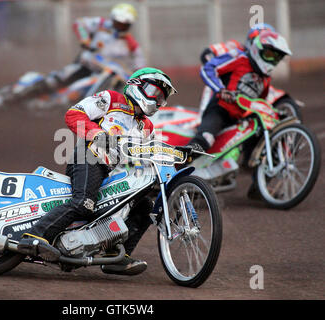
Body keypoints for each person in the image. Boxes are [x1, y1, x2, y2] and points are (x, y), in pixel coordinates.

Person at [17, 67, 177, 276]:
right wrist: (98, 134)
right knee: (83, 203)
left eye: (162, 98)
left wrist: (178, 154)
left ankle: (114, 256)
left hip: (114, 171)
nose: (157, 101)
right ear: (137, 85)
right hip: (88, 156)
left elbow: (148, 155)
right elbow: (74, 114)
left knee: (145, 206)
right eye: (155, 93)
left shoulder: (147, 125)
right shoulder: (111, 99)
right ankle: (34, 237)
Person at [188, 30, 292, 153]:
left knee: (258, 133)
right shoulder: (239, 57)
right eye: (269, 55)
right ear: (257, 49)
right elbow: (208, 68)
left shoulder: (266, 79)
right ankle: (179, 161)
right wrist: (220, 89)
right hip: (220, 109)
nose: (271, 60)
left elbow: (260, 102)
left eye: (276, 58)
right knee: (205, 140)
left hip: (239, 119)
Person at [26, 3, 146, 98]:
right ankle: (22, 94)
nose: (119, 26)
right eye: (117, 22)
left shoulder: (131, 44)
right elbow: (80, 23)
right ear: (112, 19)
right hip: (85, 66)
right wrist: (84, 39)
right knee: (57, 80)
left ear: (130, 25)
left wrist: (137, 79)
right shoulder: (102, 24)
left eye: (123, 24)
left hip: (106, 75)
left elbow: (139, 66)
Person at [198, 23, 276, 113]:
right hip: (224, 87)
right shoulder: (237, 49)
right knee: (213, 86)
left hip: (246, 93)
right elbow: (207, 54)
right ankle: (203, 114)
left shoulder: (265, 66)